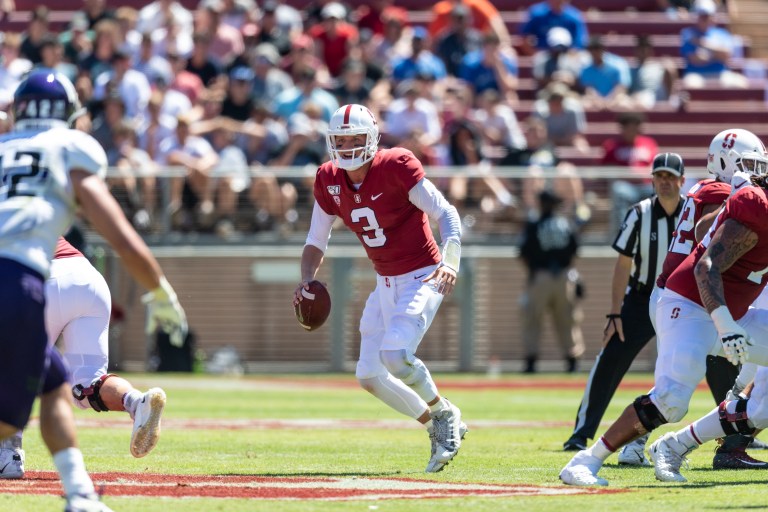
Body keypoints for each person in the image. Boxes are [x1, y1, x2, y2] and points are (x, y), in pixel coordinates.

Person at [0, 68, 187, 510]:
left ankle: (14, 458)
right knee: (65, 386)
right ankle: (82, 489)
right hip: (77, 278)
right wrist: (159, 291)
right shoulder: (71, 147)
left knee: (25, 391)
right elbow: (119, 234)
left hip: (24, 279)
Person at [559, 143, 768, 487]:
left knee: (760, 409)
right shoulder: (756, 205)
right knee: (671, 399)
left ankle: (675, 445)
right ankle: (586, 461)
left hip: (731, 311)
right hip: (690, 303)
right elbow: (706, 266)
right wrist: (726, 325)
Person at [293, 104, 466, 473]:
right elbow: (315, 240)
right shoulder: (329, 178)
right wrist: (306, 279)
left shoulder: (396, 166)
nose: (348, 146)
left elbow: (446, 214)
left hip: (424, 274)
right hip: (384, 281)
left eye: (355, 138)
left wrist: (450, 262)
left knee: (395, 355)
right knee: (369, 375)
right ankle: (438, 421)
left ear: (372, 138)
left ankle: (443, 413)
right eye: (341, 139)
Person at [0, 236, 169, 479]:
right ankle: (136, 402)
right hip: (87, 279)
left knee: (10, 366)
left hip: (43, 277)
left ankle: (8, 455)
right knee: (87, 384)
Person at [562, 153, 685, 459]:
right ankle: (581, 432)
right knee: (610, 359)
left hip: (684, 300)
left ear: (682, 181)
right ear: (652, 180)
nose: (665, 182)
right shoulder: (640, 213)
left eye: (671, 177)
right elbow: (622, 265)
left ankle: (737, 436)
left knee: (718, 361)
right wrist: (615, 312)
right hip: (642, 298)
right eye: (660, 176)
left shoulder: (694, 213)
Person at [519, 189, 584, 373]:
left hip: (541, 277)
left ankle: (531, 361)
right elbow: (575, 251)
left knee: (532, 319)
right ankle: (572, 360)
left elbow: (523, 252)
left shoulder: (534, 224)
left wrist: (532, 273)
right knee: (568, 319)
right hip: (564, 276)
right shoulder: (566, 224)